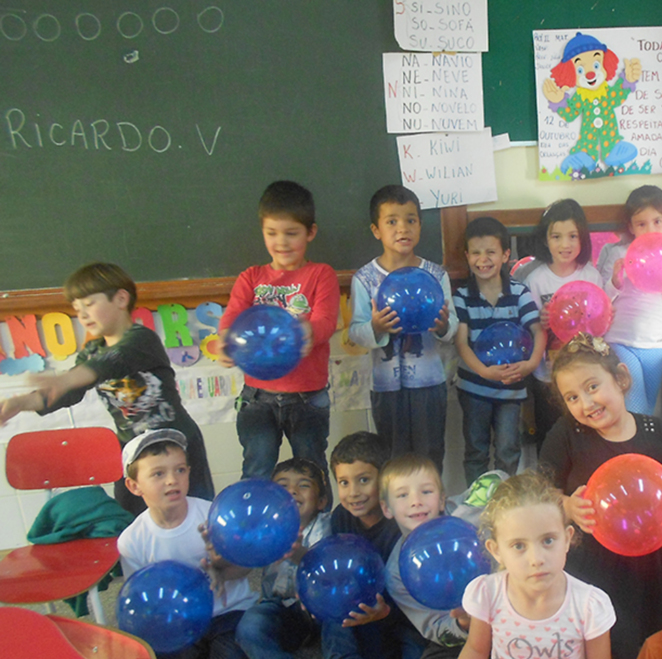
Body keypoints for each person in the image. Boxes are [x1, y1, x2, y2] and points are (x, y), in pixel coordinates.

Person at [0, 263, 215, 515]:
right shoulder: (92, 352)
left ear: (121, 298)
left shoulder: (142, 339)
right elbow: (67, 392)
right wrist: (18, 404)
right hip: (134, 453)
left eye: (89, 304)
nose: (82, 315)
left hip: (177, 446)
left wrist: (67, 380)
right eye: (77, 308)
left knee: (195, 515)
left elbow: (112, 361)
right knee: (131, 519)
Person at [435, 472, 615, 659]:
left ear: (568, 539)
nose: (536, 558)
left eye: (548, 540)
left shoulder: (588, 605)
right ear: (496, 551)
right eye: (519, 545)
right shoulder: (488, 593)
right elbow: (477, 651)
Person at [539, 333, 662, 659]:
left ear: (621, 378)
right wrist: (565, 505)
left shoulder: (656, 432)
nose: (586, 404)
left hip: (643, 565)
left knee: (642, 652)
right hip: (589, 561)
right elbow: (539, 491)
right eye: (572, 397)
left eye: (592, 387)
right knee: (589, 652)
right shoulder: (567, 433)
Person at [218, 181, 340, 497]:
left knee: (311, 472)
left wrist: (305, 332)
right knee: (257, 471)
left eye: (291, 233)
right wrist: (225, 342)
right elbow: (231, 320)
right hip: (258, 398)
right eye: (271, 233)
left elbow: (326, 321)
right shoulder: (251, 278)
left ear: (310, 232)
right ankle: (254, 539)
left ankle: (318, 536)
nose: (281, 242)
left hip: (307, 398)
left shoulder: (320, 274)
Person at [116, 429, 257, 659]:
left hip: (226, 615)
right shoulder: (131, 541)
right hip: (176, 624)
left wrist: (222, 568)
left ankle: (206, 652)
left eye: (180, 470)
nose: (172, 480)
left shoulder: (213, 516)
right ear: (134, 486)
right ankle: (192, 651)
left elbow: (245, 569)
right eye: (158, 474)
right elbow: (140, 603)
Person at [349, 185, 457, 474]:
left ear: (420, 225)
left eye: (411, 220)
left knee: (429, 455)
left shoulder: (436, 275)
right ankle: (397, 517)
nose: (402, 228)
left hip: (430, 385)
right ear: (376, 230)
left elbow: (453, 327)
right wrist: (374, 327)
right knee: (392, 459)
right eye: (392, 221)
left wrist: (444, 326)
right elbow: (355, 332)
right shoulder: (365, 279)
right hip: (386, 387)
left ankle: (431, 515)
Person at [377, 454, 486, 659]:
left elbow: (498, 479)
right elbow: (435, 627)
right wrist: (463, 623)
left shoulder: (463, 514)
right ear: (387, 509)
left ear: (441, 498)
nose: (416, 501)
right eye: (402, 495)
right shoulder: (396, 573)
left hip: (515, 617)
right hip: (469, 638)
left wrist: (470, 517)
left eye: (426, 491)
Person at [237, 459, 335, 659]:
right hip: (282, 610)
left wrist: (301, 555)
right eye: (282, 487)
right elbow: (242, 560)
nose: (292, 492)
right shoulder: (266, 528)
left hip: (321, 609)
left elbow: (331, 569)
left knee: (342, 614)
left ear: (322, 500)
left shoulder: (329, 525)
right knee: (250, 623)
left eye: (303, 486)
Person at [330, 431, 425, 659]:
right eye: (344, 482)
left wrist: (387, 612)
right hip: (364, 609)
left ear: (384, 481)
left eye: (363, 480)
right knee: (335, 621)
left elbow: (416, 588)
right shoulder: (340, 517)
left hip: (406, 614)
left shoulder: (402, 520)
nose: (353, 492)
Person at [453, 216, 545, 482]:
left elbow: (538, 331)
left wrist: (531, 365)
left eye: (491, 252)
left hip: (512, 387)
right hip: (474, 389)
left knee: (507, 450)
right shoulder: (462, 296)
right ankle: (477, 509)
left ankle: (504, 512)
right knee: (476, 451)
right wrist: (484, 372)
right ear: (467, 256)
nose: (483, 260)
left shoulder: (519, 292)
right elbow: (461, 342)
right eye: (476, 253)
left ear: (506, 255)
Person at [596, 185, 662, 415]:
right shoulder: (619, 254)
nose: (650, 229)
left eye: (657, 221)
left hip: (654, 346)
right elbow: (601, 303)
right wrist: (615, 283)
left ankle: (641, 450)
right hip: (620, 341)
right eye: (641, 224)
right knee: (636, 407)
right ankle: (632, 449)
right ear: (631, 227)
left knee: (650, 408)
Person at [523, 199, 604, 447]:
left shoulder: (591, 275)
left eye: (572, 236)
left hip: (584, 371)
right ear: (545, 240)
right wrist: (542, 321)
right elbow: (528, 327)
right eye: (556, 236)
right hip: (548, 375)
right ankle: (550, 483)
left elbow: (599, 323)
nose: (565, 244)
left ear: (583, 239)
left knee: (585, 432)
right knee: (550, 434)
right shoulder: (536, 279)